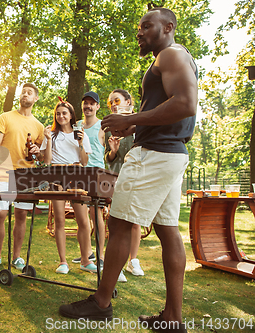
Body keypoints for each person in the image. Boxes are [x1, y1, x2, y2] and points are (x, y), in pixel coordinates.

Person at [59, 8, 197, 332]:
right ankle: (172, 318)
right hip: (171, 154)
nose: (140, 32)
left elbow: (186, 103)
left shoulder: (171, 55)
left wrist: (131, 120)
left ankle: (101, 303)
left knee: (119, 224)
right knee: (167, 231)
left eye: (146, 26)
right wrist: (132, 129)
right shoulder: (173, 58)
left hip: (155, 156)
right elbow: (170, 111)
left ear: (168, 27)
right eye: (139, 28)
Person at [0, 83, 44, 271]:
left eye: (29, 93)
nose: (25, 95)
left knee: (21, 216)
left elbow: (41, 155)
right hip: (3, 171)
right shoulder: (5, 117)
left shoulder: (39, 126)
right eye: (23, 92)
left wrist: (37, 151)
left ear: (36, 98)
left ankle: (17, 257)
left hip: (26, 174)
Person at [40, 99, 93, 274]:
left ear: (71, 116)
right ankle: (63, 262)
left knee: (83, 221)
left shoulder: (80, 135)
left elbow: (84, 162)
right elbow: (47, 162)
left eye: (64, 113)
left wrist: (80, 144)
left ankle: (85, 260)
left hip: (77, 176)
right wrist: (47, 140)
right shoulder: (51, 135)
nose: (61, 116)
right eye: (58, 113)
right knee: (60, 220)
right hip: (57, 176)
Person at [104, 89, 145, 283]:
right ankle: (116, 266)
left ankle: (133, 261)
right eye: (110, 101)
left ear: (128, 102)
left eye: (117, 100)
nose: (113, 104)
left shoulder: (140, 123)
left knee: (135, 220)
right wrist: (113, 151)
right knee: (117, 222)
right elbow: (110, 160)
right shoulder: (110, 129)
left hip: (137, 177)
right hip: (117, 178)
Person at [72, 91, 105, 271]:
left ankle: (100, 255)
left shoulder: (102, 126)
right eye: (86, 103)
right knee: (81, 220)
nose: (88, 106)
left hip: (96, 175)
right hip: (78, 174)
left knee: (96, 216)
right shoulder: (77, 125)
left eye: (92, 103)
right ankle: (87, 254)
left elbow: (109, 151)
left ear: (97, 106)